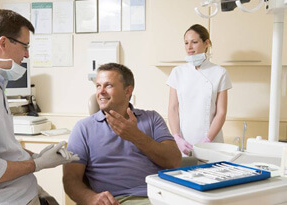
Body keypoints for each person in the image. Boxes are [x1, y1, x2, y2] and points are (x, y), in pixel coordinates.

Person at [0, 9, 79, 204]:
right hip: (0, 199)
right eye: (25, 46)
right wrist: (37, 164)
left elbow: (2, 148)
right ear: (3, 43)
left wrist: (37, 155)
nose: (26, 54)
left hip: (21, 191)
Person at [63, 63, 181, 205]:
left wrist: (136, 136)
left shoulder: (152, 118)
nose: (101, 91)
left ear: (128, 91)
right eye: (98, 86)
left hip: (162, 196)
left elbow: (174, 161)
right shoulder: (83, 128)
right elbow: (71, 179)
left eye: (108, 86)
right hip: (119, 200)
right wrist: (91, 198)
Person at [167, 24, 232, 156]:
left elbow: (221, 112)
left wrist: (207, 140)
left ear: (206, 43)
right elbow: (173, 108)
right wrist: (176, 137)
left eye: (194, 42)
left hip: (212, 143)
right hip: (184, 142)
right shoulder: (177, 72)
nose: (189, 47)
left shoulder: (220, 73)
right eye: (186, 43)